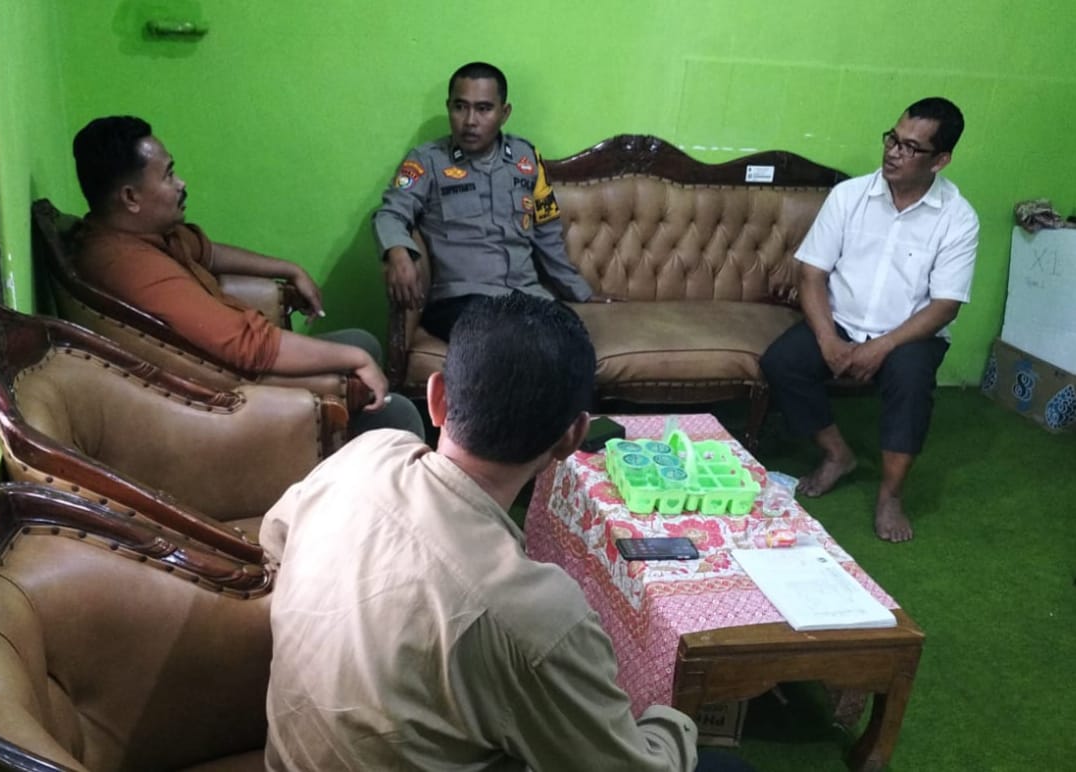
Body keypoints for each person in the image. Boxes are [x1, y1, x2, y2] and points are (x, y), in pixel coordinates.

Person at [262, 293, 722, 771]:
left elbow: (274, 539)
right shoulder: (536, 617)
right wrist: (670, 718)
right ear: (572, 437)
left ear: (437, 399)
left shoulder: (367, 454)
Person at [71, 115, 423, 438]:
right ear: (130, 197)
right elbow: (250, 346)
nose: (181, 183)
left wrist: (289, 269)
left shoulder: (145, 235)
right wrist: (355, 360)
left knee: (362, 340)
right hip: (229, 395)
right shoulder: (131, 265)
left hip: (237, 365)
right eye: (168, 175)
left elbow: (208, 252)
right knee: (397, 411)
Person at [760, 97, 979, 543]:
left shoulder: (958, 218)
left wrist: (881, 347)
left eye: (910, 147)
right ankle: (837, 454)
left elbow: (945, 306)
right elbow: (812, 274)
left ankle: (890, 495)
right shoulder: (850, 196)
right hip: (841, 320)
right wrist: (828, 340)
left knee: (911, 382)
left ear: (940, 160)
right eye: (892, 139)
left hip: (910, 333)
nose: (893, 152)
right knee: (782, 362)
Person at [373, 62, 614, 342]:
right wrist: (397, 252)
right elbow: (390, 213)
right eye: (460, 107)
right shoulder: (428, 161)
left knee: (574, 338)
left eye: (484, 109)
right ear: (448, 107)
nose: (470, 121)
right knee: (516, 339)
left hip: (525, 296)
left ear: (504, 113)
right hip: (461, 300)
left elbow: (547, 233)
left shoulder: (526, 159)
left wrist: (581, 293)